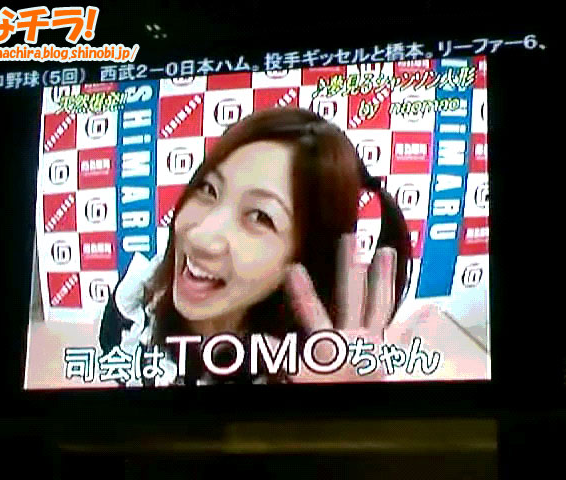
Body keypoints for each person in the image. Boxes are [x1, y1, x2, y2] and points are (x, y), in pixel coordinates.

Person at [99, 107, 411, 386]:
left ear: (305, 261)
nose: (200, 236)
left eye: (260, 217)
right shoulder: (137, 301)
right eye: (208, 189)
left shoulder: (308, 369)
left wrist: (338, 415)